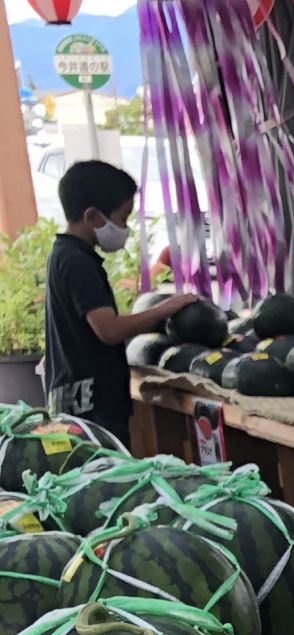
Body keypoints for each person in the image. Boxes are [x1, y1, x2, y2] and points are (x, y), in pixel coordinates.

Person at [44, 160, 194, 447]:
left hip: (77, 401)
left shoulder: (63, 253)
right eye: (122, 218)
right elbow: (109, 330)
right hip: (91, 409)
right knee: (105, 471)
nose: (125, 228)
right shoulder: (78, 262)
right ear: (92, 216)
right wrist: (167, 308)